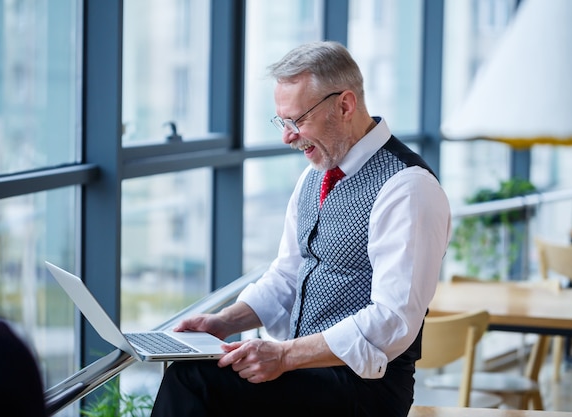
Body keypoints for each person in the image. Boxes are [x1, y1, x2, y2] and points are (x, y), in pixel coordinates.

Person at [151, 40, 451, 417]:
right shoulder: (316, 177)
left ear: (345, 105)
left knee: (195, 380)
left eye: (297, 120)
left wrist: (284, 356)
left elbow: (392, 321)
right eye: (282, 121)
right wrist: (223, 322)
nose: (287, 136)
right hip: (308, 375)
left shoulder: (409, 187)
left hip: (366, 390)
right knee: (198, 376)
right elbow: (288, 276)